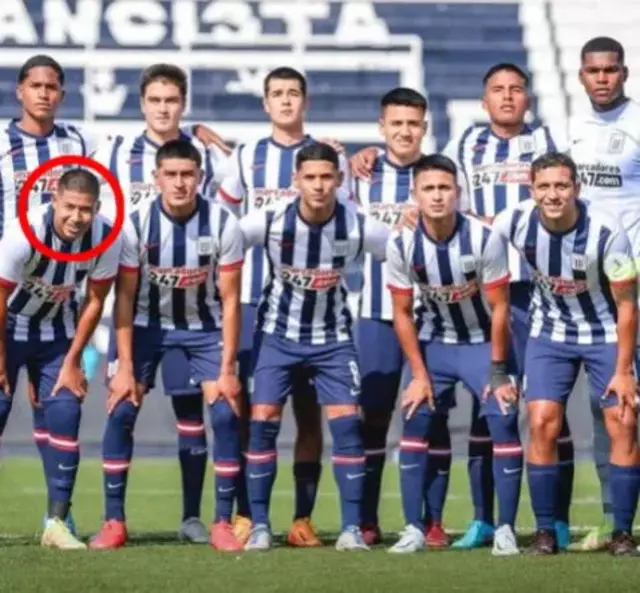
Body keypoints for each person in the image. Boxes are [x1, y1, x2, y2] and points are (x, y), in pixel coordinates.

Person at [350, 64, 572, 549]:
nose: (508, 97)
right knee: (395, 413)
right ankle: (384, 521)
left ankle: (540, 521)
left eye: (516, 89)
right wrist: (357, 155)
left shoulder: (549, 138)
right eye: (497, 89)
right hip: (406, 315)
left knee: (534, 407)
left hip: (523, 292)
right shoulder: (374, 174)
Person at [94, 63, 231, 544]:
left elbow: (220, 214)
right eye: (155, 100)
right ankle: (111, 519)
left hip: (196, 310)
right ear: (142, 104)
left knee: (195, 415)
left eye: (172, 100)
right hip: (137, 301)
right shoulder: (114, 151)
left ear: (183, 103)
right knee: (120, 406)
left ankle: (196, 518)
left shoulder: (207, 156)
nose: (163, 108)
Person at [216, 67, 349, 547]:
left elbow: (347, 221)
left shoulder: (330, 156)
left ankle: (302, 518)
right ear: (265, 103)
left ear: (305, 101)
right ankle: (250, 516)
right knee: (253, 413)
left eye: (294, 93)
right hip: (253, 304)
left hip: (315, 311)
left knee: (310, 416)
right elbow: (224, 222)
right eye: (277, 94)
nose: (286, 101)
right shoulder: (246, 156)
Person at [239, 142, 388, 551]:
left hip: (333, 341)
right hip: (276, 337)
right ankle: (260, 526)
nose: (319, 185)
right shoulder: (269, 220)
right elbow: (225, 243)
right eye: (310, 177)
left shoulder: (358, 224)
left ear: (339, 180)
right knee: (263, 421)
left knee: (346, 425)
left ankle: (351, 529)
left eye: (326, 177)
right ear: (295, 181)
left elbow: (404, 254)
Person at [491, 152, 640, 556]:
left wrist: (624, 370)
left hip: (605, 332)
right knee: (541, 422)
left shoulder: (609, 231)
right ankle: (544, 532)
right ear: (531, 190)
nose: (553, 194)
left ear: (577, 187)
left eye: (561, 185)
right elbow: (476, 237)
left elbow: (627, 304)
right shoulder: (514, 222)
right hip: (548, 334)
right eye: (544, 186)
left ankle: (623, 533)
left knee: (622, 419)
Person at [386, 154, 522, 555]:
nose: (437, 196)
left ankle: (506, 528)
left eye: (444, 188)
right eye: (428, 188)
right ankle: (413, 527)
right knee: (415, 415)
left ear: (458, 193)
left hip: (482, 343)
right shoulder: (401, 243)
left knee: (504, 418)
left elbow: (500, 307)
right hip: (435, 343)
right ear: (415, 194)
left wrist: (498, 370)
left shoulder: (484, 237)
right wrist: (418, 373)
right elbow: (401, 313)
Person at [349, 87, 451, 548]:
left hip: (432, 318)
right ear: (382, 127)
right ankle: (368, 520)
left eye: (413, 123)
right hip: (375, 312)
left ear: (424, 127)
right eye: (397, 123)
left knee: (432, 416)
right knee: (372, 417)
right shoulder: (360, 176)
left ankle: (433, 520)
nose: (405, 131)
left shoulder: (442, 175)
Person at [0, 168, 122, 549]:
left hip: (57, 330)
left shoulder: (105, 236)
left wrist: (73, 360)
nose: (76, 217)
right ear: (54, 199)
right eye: (69, 207)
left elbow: (96, 299)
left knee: (67, 411)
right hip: (9, 326)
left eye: (85, 210)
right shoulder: (25, 232)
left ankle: (56, 522)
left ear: (96, 208)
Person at [567, 36, 640, 551]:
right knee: (608, 407)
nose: (602, 78)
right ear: (580, 75)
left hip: (637, 283)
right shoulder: (568, 129)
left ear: (625, 73)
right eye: (594, 70)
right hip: (595, 291)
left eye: (610, 70)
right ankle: (616, 520)